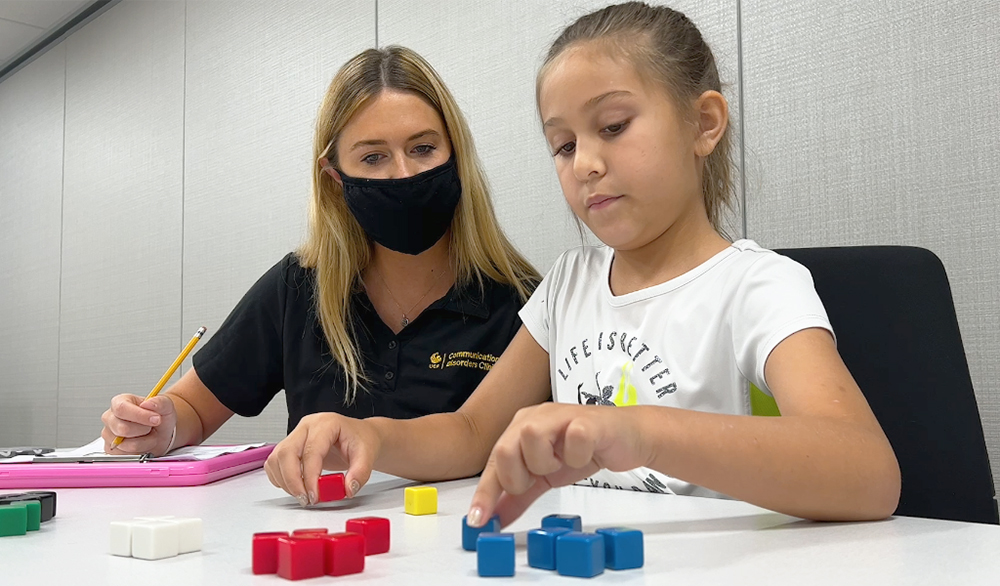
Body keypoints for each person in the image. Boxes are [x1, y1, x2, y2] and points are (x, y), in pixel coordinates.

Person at [264, 1, 901, 521]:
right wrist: (372, 436)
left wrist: (635, 432)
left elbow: (868, 473)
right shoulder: (570, 284)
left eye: (615, 126)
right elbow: (470, 431)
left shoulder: (758, 286)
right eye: (563, 145)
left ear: (704, 123)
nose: (586, 163)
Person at [99, 47, 539, 475]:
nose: (403, 174)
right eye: (373, 157)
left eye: (423, 148)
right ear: (335, 179)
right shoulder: (299, 287)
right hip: (321, 539)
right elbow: (194, 407)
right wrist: (157, 423)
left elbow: (484, 439)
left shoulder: (525, 303)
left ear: (457, 155)